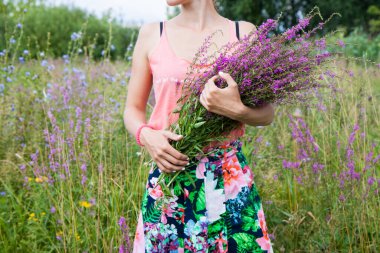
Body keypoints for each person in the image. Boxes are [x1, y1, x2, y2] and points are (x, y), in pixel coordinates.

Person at [124, 0, 275, 252]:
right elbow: (132, 109)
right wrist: (146, 136)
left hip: (229, 179)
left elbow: (267, 113)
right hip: (169, 179)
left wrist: (237, 110)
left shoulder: (243, 34)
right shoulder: (152, 34)